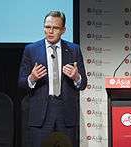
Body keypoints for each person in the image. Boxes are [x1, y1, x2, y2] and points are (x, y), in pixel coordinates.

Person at [18, 11, 87, 147]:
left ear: (63, 30)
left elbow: (83, 83)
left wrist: (76, 77)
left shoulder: (74, 50)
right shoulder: (31, 50)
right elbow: (21, 82)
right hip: (41, 114)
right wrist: (32, 78)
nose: (50, 31)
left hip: (65, 112)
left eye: (55, 28)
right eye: (47, 27)